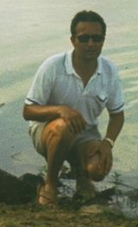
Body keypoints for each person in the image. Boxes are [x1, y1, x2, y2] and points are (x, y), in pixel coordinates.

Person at [23, 10, 125, 205]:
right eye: (84, 38)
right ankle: (50, 184)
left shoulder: (109, 70)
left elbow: (117, 115)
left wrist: (107, 143)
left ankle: (83, 177)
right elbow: (28, 110)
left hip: (86, 133)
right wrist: (60, 110)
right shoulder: (53, 66)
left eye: (96, 38)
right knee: (63, 128)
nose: (90, 44)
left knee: (98, 168)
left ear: (103, 40)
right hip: (48, 131)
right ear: (73, 40)